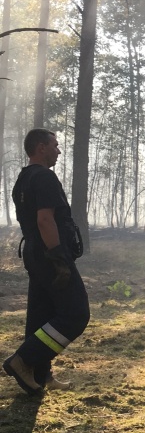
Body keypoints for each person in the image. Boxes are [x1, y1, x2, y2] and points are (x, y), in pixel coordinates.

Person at [3, 128, 89, 396]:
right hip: (49, 253)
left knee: (42, 314)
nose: (59, 151)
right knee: (76, 314)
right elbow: (44, 219)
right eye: (55, 145)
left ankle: (39, 376)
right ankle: (23, 361)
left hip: (33, 252)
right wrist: (58, 258)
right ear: (41, 147)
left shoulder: (23, 179)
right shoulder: (45, 177)